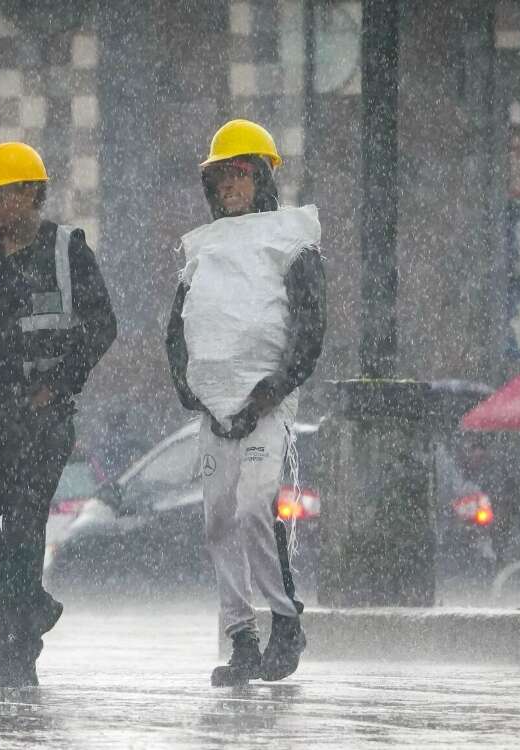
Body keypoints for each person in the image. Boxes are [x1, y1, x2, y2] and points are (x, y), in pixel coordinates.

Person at [0, 142, 116, 688]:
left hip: (40, 418)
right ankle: (32, 604)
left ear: (29, 194)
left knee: (24, 533)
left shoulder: (66, 251)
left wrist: (57, 383)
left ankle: (15, 658)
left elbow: (102, 325)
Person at [165, 119, 326, 686]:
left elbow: (309, 327)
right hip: (214, 407)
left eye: (240, 175)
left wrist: (273, 389)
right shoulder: (201, 250)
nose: (230, 187)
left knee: (256, 506)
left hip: (267, 402)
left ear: (261, 178)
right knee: (217, 520)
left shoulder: (293, 240)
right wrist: (194, 391)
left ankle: (285, 620)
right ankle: (240, 638)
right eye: (221, 178)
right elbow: (178, 330)